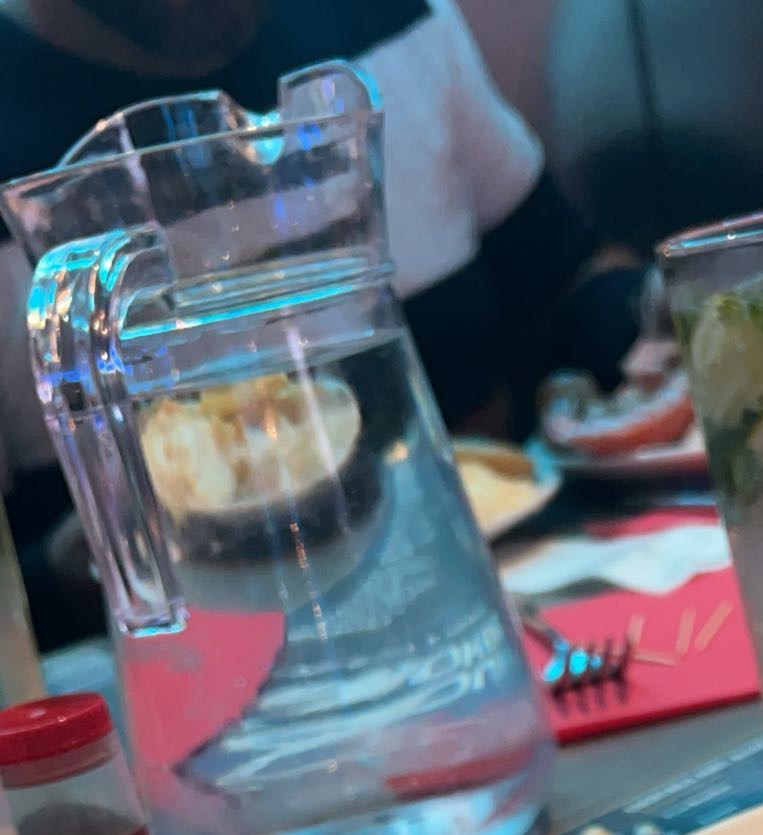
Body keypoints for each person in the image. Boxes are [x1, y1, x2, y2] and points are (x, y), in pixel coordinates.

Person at [0, 0, 643, 636]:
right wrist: (85, 564)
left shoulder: (391, 21)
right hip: (192, 660)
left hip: (521, 597)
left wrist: (650, 319)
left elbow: (567, 273)